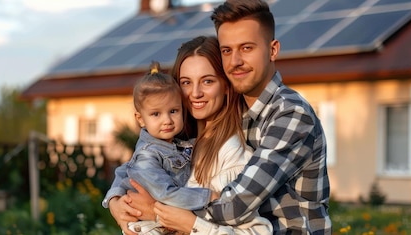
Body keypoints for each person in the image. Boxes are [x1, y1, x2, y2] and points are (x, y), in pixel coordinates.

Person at [115, 0, 332, 234]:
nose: (235, 61)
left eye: (247, 48)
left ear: (273, 50)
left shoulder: (290, 113)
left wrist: (156, 212)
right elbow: (140, 165)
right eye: (227, 50)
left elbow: (236, 205)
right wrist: (117, 201)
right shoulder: (231, 117)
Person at [107, 36, 273, 234]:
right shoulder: (175, 142)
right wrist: (115, 201)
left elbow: (257, 232)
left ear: (227, 86)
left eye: (207, 81)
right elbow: (130, 168)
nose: (195, 93)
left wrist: (161, 214)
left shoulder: (232, 154)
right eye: (186, 82)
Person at [102, 61, 212, 234]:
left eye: (173, 111)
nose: (167, 120)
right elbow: (166, 194)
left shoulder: (174, 145)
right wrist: (209, 197)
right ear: (140, 119)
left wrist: (113, 197)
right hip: (147, 227)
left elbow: (123, 170)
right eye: (156, 114)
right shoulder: (148, 154)